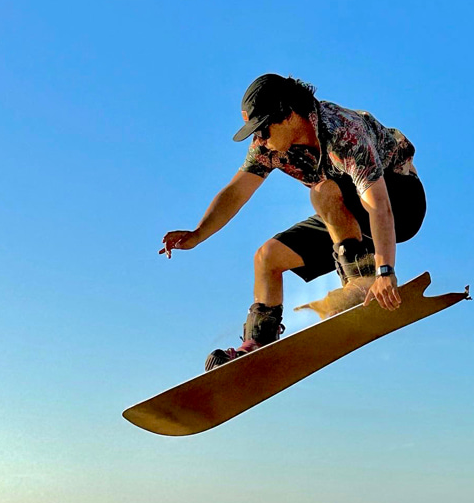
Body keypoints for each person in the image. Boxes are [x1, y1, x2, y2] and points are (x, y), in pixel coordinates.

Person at [160, 73, 427, 370]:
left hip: (400, 202)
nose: (259, 140)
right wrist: (198, 234)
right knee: (267, 258)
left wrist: (384, 271)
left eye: (262, 130)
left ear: (287, 115)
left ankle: (361, 280)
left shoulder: (344, 132)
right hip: (347, 215)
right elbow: (236, 191)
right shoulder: (268, 148)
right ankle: (257, 345)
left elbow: (379, 207)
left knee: (324, 192)